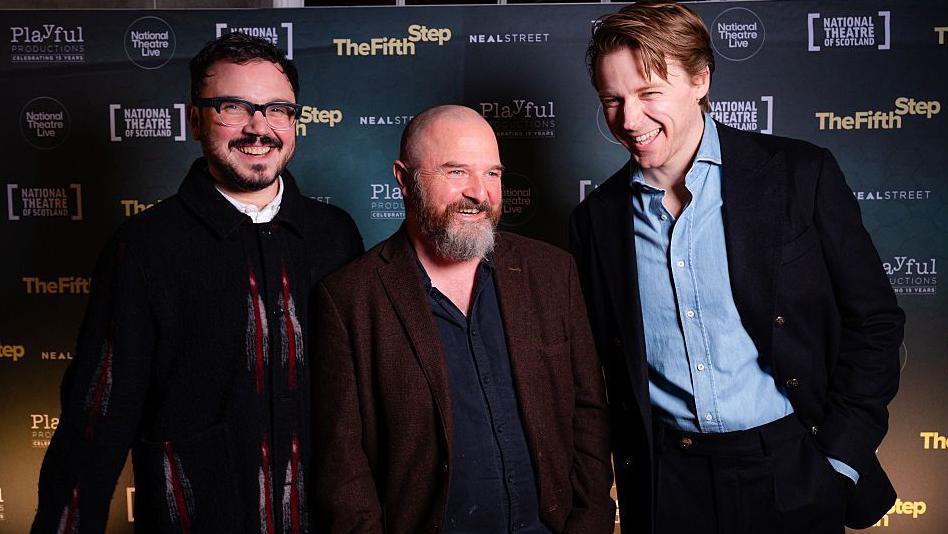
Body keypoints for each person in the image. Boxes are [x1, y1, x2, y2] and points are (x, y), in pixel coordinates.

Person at [569, 3, 905, 534]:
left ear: (700, 80)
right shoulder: (595, 221)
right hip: (667, 485)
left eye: (648, 93)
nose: (628, 120)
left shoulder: (801, 175)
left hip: (792, 467)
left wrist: (838, 462)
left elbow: (876, 322)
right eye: (612, 99)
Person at [32, 32, 363, 533]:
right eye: (234, 107)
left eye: (277, 110)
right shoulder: (145, 247)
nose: (259, 128)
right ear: (194, 120)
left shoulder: (335, 236)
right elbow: (94, 424)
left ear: (295, 123)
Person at [312, 105, 615, 534]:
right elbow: (343, 467)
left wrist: (589, 524)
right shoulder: (350, 299)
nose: (480, 192)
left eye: (492, 173)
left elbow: (588, 413)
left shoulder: (552, 273)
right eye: (456, 172)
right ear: (403, 179)